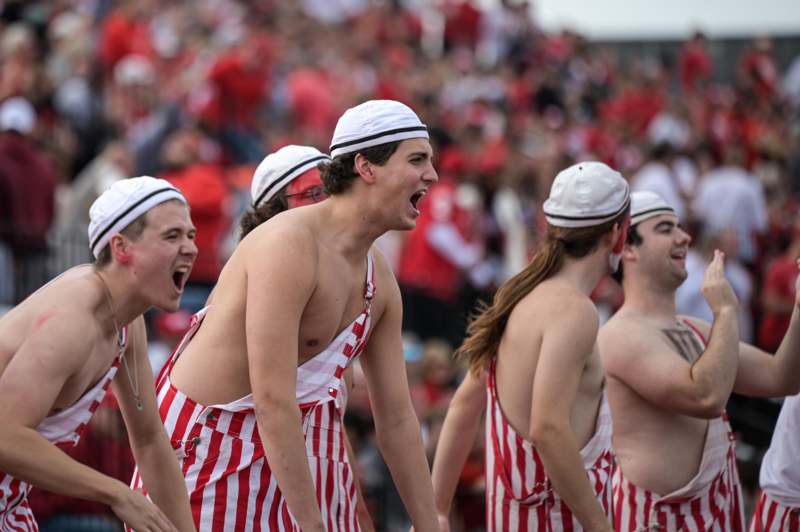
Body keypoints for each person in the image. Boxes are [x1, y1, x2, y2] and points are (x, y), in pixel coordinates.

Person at [133, 100, 442, 531]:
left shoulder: (379, 275)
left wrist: (430, 523)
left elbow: (396, 418)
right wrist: (311, 525)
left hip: (290, 459)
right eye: (417, 159)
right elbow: (273, 399)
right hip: (209, 457)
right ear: (366, 167)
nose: (433, 174)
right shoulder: (287, 243)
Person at [132, 144, 375, 530]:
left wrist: (351, 505)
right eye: (311, 194)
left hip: (273, 463)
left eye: (329, 192)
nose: (325, 204)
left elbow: (327, 420)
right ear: (271, 215)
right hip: (211, 456)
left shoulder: (359, 272)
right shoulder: (272, 263)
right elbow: (273, 403)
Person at [432, 161, 631, 531]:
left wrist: (438, 509)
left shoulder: (519, 299)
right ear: (617, 233)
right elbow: (548, 428)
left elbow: (463, 406)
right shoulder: (575, 311)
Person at [0, 176, 198, 531]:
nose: (191, 249)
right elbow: (4, 435)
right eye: (172, 236)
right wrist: (116, 493)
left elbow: (151, 441)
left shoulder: (126, 320)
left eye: (191, 235)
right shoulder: (72, 319)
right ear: (120, 247)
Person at [599, 191, 800, 531]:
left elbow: (783, 377)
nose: (685, 237)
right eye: (666, 229)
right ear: (627, 248)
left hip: (717, 513)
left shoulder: (694, 329)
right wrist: (725, 310)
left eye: (680, 227)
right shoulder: (619, 334)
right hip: (658, 520)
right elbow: (705, 396)